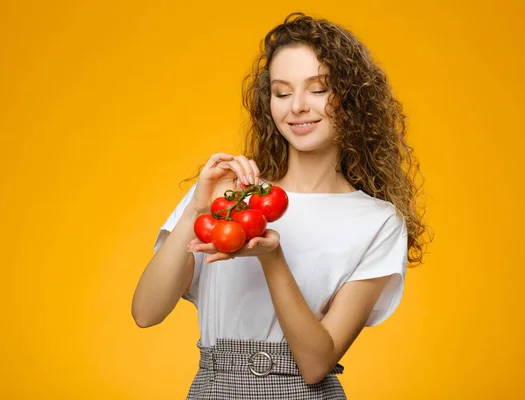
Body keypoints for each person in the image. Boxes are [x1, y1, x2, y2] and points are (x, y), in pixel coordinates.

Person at [132, 12, 429, 400]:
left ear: (352, 99)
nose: (297, 107)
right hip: (212, 389)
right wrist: (196, 211)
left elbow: (316, 363)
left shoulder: (377, 222)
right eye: (282, 92)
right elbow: (145, 313)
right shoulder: (230, 195)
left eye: (318, 89)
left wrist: (273, 260)